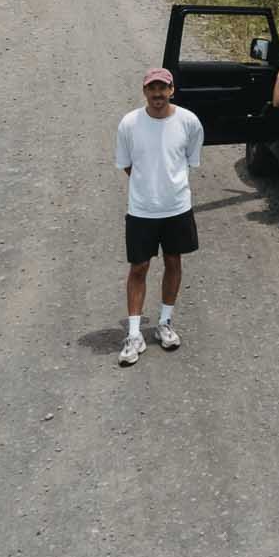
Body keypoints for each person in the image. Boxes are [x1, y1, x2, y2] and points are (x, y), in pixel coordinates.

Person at [114, 67, 204, 366]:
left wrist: (167, 187)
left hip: (176, 207)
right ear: (144, 92)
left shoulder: (189, 122)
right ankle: (135, 333)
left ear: (172, 90)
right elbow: (128, 165)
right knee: (138, 267)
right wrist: (147, 187)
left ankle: (165, 322)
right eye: (152, 89)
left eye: (162, 89)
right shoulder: (129, 123)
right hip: (141, 209)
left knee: (173, 262)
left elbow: (188, 161)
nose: (157, 95)